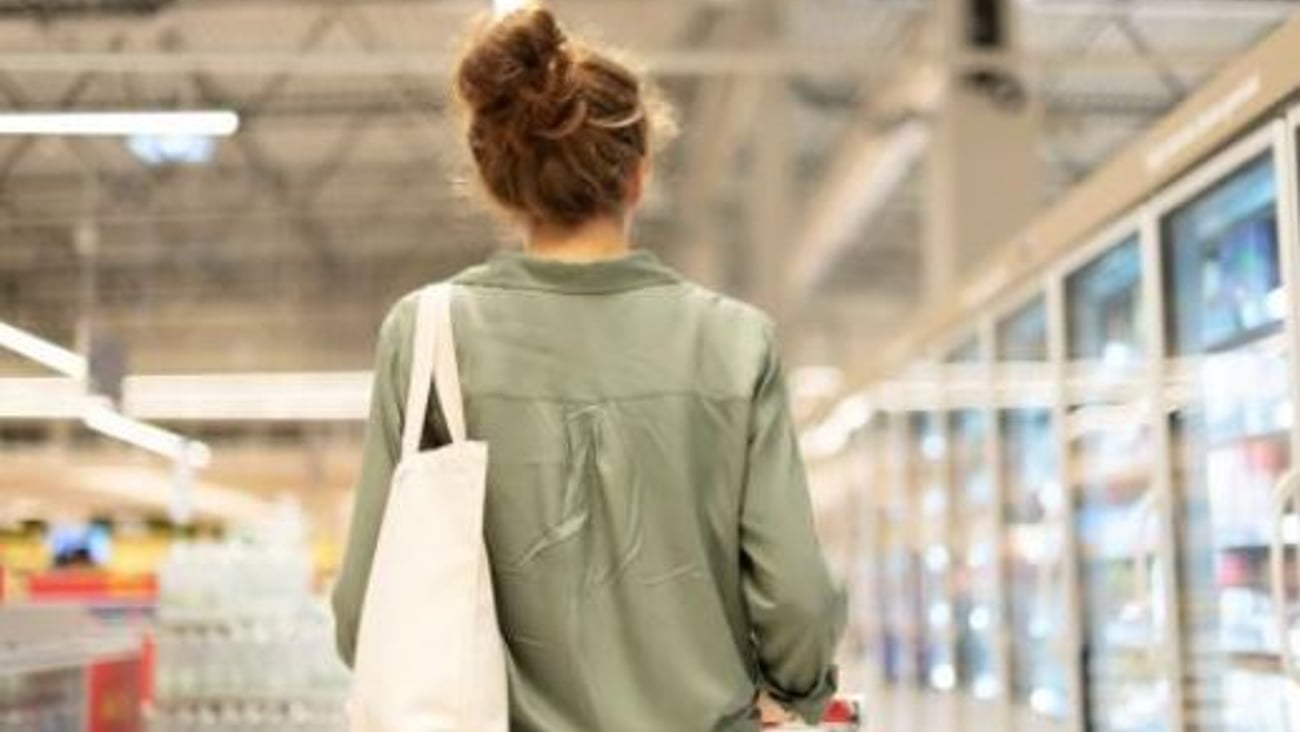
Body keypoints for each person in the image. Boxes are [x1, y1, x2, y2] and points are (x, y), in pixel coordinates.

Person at [331, 5, 845, 730]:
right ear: (638, 175)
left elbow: (365, 612)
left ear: (499, 179)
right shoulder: (733, 342)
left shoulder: (427, 336)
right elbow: (795, 599)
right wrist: (798, 694)